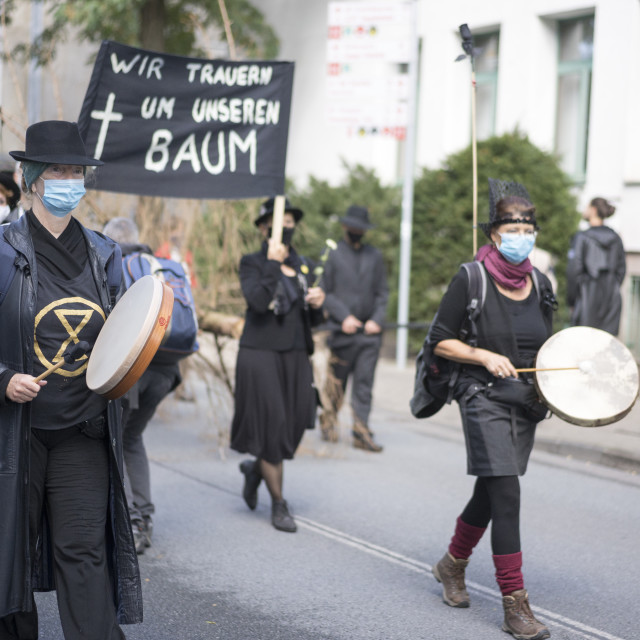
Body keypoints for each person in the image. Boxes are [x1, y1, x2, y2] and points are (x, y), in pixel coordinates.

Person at [0, 121, 142, 639]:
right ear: (33, 178)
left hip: (83, 431)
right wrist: (4, 379)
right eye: (59, 170)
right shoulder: (1, 251)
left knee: (83, 553)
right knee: (7, 559)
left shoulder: (106, 253)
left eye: (77, 171)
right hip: (17, 432)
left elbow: (127, 335)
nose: (69, 179)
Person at [429, 180, 555, 640]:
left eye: (529, 225)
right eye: (513, 224)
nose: (523, 232)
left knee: (491, 488)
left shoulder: (539, 282)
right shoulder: (471, 277)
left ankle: (451, 565)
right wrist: (482, 355)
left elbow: (549, 345)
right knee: (507, 493)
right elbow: (438, 338)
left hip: (524, 402)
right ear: (494, 233)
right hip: (481, 395)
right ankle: (514, 605)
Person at [230, 197, 325, 533]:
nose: (285, 227)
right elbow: (257, 302)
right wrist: (272, 264)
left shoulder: (304, 266)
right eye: (277, 222)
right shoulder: (252, 263)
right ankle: (279, 503)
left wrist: (318, 303)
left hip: (296, 354)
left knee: (296, 422)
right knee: (274, 425)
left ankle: (256, 468)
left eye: (289, 222)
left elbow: (311, 320)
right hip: (260, 353)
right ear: (262, 227)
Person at [102, 217, 182, 554]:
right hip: (166, 369)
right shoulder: (161, 266)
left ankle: (132, 521)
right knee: (133, 437)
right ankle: (143, 518)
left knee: (119, 439)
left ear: (111, 240)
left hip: (135, 369)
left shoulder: (115, 265)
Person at [319, 205, 388, 452]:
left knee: (364, 385)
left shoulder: (374, 256)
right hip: (341, 332)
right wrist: (343, 317)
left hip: (369, 335)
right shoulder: (332, 253)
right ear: (345, 226)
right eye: (354, 227)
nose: (357, 231)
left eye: (362, 228)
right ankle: (328, 419)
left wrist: (376, 320)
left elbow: (382, 293)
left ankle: (361, 430)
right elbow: (323, 292)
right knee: (336, 383)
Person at [567, 197, 626, 335]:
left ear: (593, 210)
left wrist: (572, 300)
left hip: (585, 297)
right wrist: (612, 287)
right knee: (606, 347)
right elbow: (621, 270)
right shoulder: (616, 238)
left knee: (583, 345)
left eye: (586, 207)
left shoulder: (582, 237)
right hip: (611, 299)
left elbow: (573, 270)